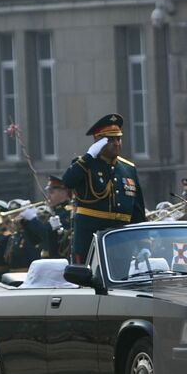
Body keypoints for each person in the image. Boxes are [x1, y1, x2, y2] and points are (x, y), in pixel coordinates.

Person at [61, 113, 146, 263]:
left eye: (118, 139)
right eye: (110, 139)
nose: (116, 143)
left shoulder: (128, 169)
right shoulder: (85, 164)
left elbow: (137, 211)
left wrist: (143, 244)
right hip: (90, 239)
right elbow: (68, 181)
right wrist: (89, 156)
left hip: (121, 240)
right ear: (98, 142)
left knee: (119, 283)